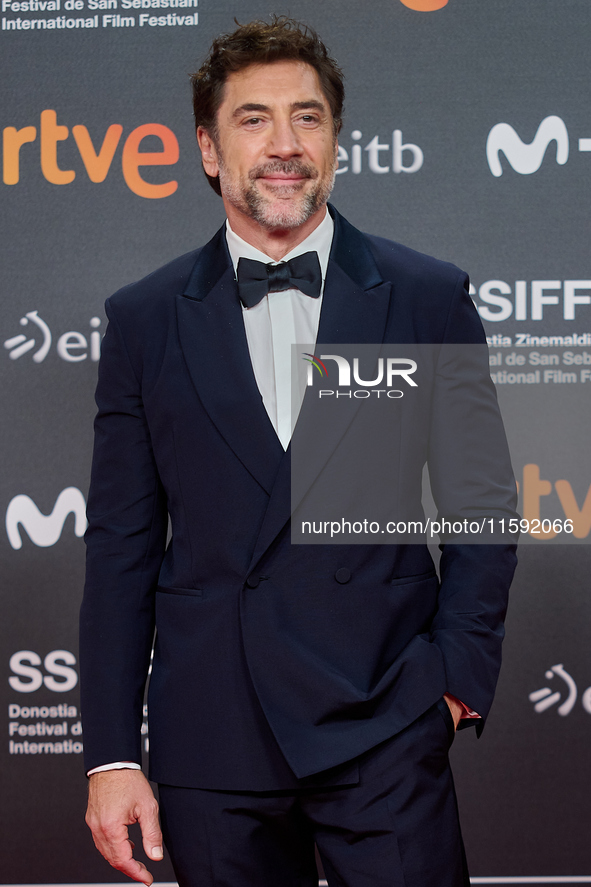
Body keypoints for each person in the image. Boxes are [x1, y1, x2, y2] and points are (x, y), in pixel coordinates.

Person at [80, 16, 517, 887]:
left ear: (337, 142)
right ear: (208, 149)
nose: (284, 145)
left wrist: (453, 683)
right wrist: (108, 755)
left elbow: (482, 503)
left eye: (307, 118)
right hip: (214, 735)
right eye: (253, 119)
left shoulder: (425, 296)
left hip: (385, 719)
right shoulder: (144, 317)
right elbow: (121, 551)